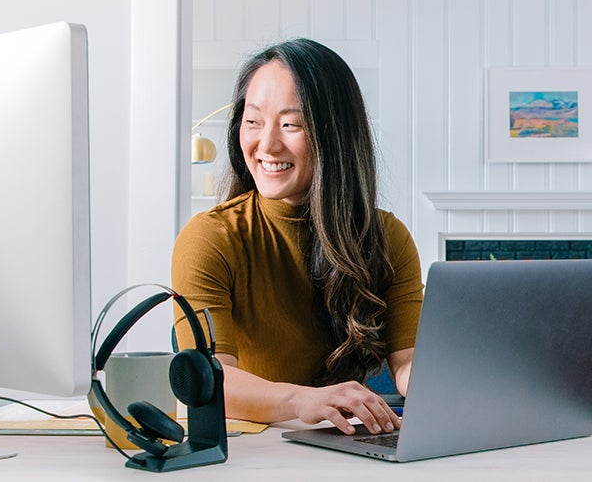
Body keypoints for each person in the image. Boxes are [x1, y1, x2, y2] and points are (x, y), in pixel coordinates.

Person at [171, 38, 423, 436]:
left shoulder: (388, 237)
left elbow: (408, 359)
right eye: (253, 121)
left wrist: (449, 382)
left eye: (291, 124)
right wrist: (303, 399)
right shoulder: (210, 237)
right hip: (253, 446)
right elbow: (210, 377)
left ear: (335, 134)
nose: (266, 144)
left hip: (348, 440)